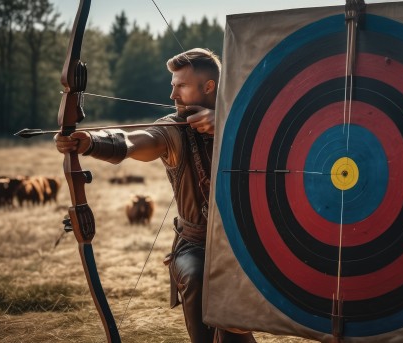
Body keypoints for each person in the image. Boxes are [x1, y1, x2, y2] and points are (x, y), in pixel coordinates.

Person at [55, 48, 256, 343]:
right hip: (195, 245)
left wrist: (227, 125)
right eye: (172, 85)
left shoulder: (247, 123)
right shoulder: (173, 129)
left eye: (181, 86)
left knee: (233, 333)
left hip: (246, 243)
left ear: (209, 87)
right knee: (198, 277)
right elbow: (138, 139)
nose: (173, 94)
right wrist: (92, 142)